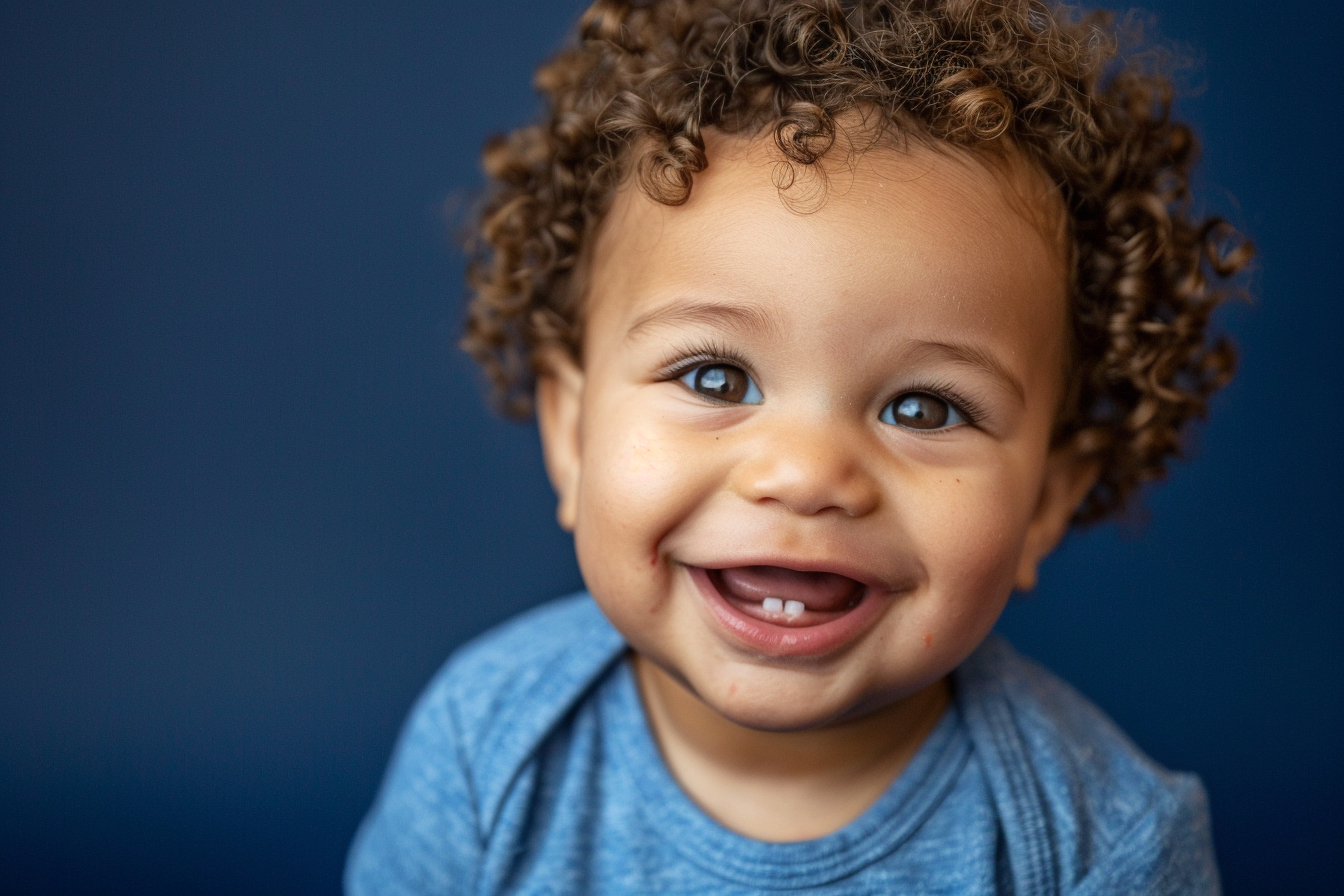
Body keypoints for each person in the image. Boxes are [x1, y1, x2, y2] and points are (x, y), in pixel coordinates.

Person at [347, 1, 1252, 892]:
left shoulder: (1103, 844)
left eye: (925, 408)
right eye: (715, 378)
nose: (808, 475)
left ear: (1047, 502)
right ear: (571, 433)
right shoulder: (484, 746)